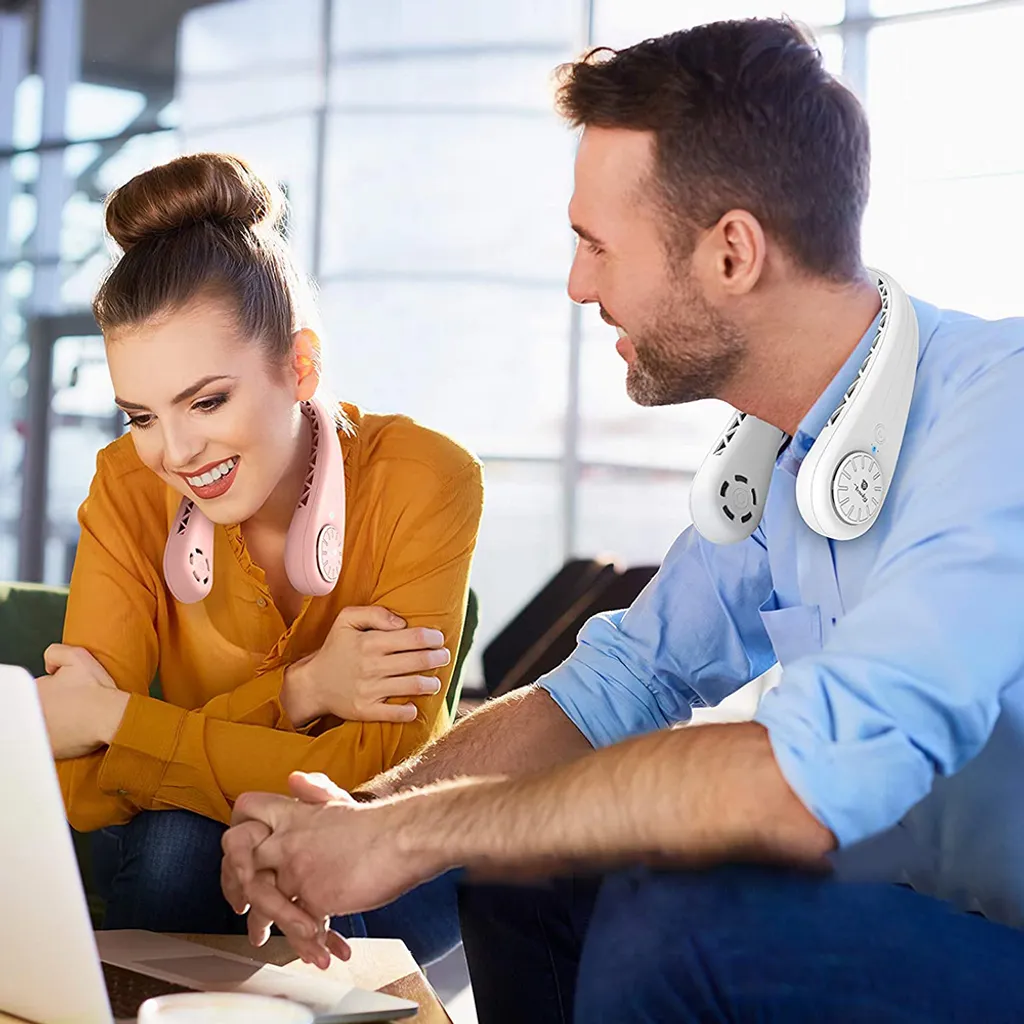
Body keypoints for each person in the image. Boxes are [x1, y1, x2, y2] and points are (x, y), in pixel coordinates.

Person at [222, 18, 1024, 1022]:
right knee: (528, 863)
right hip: (921, 919)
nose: (578, 284)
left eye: (598, 245)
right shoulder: (792, 455)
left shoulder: (998, 413)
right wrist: (356, 819)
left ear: (732, 252)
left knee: (676, 920)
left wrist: (410, 836)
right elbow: (620, 684)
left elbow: (800, 781)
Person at [37, 152, 482, 963]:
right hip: (183, 840)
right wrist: (300, 691)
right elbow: (80, 783)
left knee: (195, 834)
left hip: (381, 837)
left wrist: (114, 720)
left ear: (299, 365)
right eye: (141, 416)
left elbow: (378, 767)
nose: (175, 453)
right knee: (184, 837)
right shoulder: (127, 487)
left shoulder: (424, 478)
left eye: (207, 401)